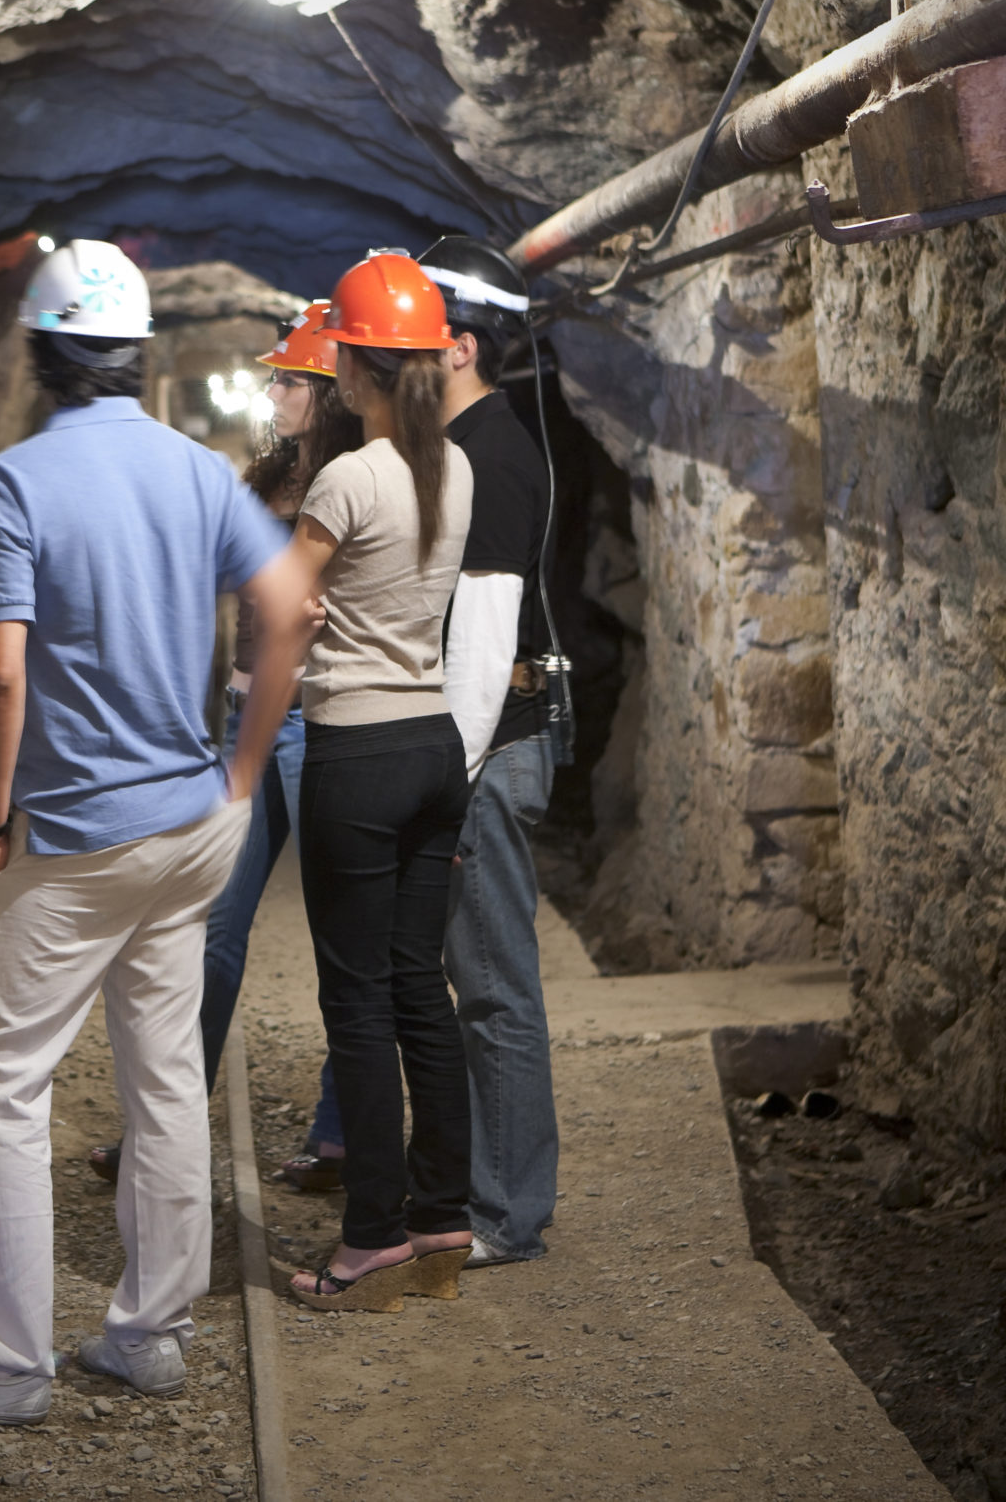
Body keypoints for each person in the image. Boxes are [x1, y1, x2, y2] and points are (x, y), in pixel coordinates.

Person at [0, 239, 313, 1423]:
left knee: (2, 1082)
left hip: (70, 833)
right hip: (187, 823)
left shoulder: (13, 482)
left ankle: (1, 1365)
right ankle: (151, 1335)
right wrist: (245, 768)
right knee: (164, 1078)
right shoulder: (201, 472)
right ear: (135, 352)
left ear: (44, 354)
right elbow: (288, 609)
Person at [88, 302, 362, 1187]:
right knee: (208, 931)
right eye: (275, 376)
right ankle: (160, 1133)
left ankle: (339, 1134)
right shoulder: (265, 477)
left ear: (328, 387)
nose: (274, 389)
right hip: (248, 715)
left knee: (342, 940)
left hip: (321, 719)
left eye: (289, 377)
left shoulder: (356, 479)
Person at [285, 250, 476, 1310]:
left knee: (355, 1003)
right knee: (419, 992)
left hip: (356, 750)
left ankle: (370, 1238)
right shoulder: (454, 468)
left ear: (354, 371)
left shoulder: (347, 476)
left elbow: (282, 600)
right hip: (433, 746)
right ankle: (442, 1211)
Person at [418, 235, 561, 1268]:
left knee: (496, 987)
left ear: (458, 347)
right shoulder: (467, 448)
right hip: (482, 744)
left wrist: (444, 782)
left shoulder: (490, 458)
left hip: (490, 749)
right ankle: (477, 1191)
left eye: (410, 337)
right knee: (469, 984)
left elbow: (482, 645)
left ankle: (506, 1214)